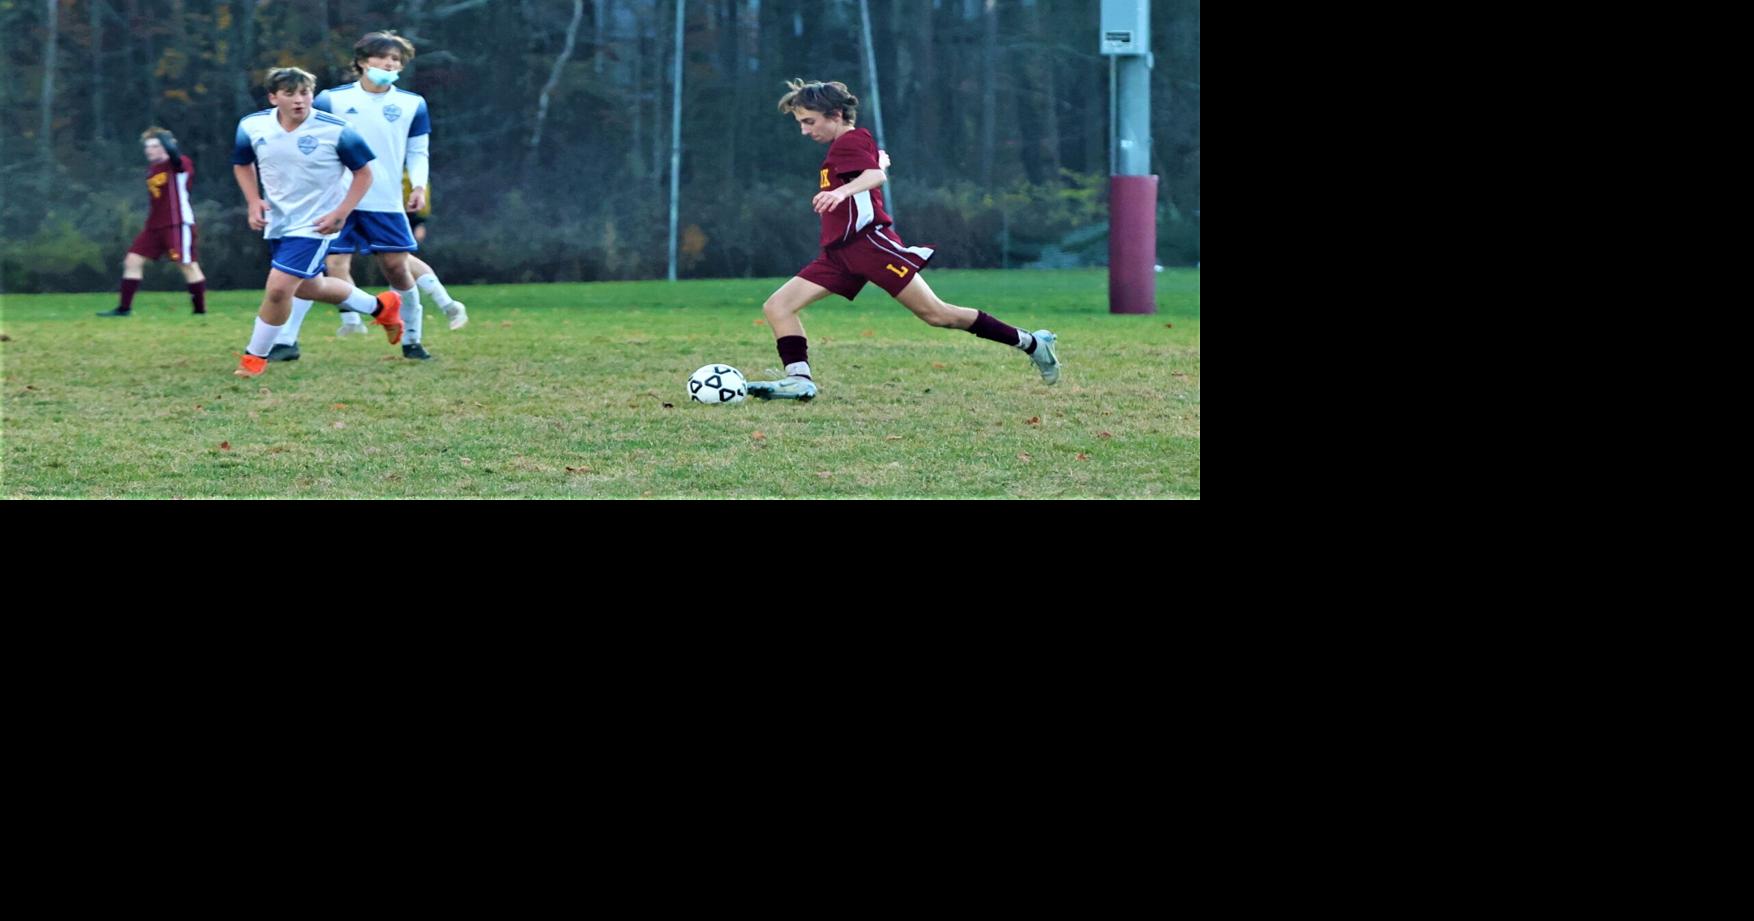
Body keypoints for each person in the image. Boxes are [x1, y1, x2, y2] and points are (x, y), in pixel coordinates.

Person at [743, 79, 1060, 402]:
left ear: (835, 114)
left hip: (869, 247)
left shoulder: (849, 142)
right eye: (800, 123)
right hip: (840, 253)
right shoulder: (850, 144)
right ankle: (799, 380)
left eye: (809, 121)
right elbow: (872, 169)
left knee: (938, 314)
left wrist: (843, 190)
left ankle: (1033, 343)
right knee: (778, 306)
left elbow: (875, 176)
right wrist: (874, 165)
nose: (805, 131)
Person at [272, 31, 464, 362]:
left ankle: (412, 340)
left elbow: (418, 151)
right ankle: (287, 341)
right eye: (384, 57)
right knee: (312, 270)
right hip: (336, 202)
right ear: (362, 62)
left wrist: (418, 185)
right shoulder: (331, 100)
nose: (391, 64)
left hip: (386, 201)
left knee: (396, 268)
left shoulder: (411, 104)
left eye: (397, 60)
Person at [230, 67, 402, 379]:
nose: (299, 100)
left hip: (316, 224)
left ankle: (254, 358)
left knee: (279, 289)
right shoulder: (252, 126)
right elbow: (242, 163)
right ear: (273, 97)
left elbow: (365, 174)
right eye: (290, 93)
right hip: (279, 221)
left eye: (305, 93)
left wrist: (342, 212)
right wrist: (254, 200)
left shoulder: (337, 129)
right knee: (311, 287)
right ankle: (382, 307)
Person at [98, 127, 208, 317]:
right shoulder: (153, 170)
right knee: (132, 260)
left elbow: (175, 157)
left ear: (167, 146)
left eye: (156, 146)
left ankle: (199, 311)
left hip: (177, 224)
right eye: (148, 147)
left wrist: (167, 141)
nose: (150, 150)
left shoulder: (179, 164)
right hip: (154, 226)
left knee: (187, 264)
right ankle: (124, 309)